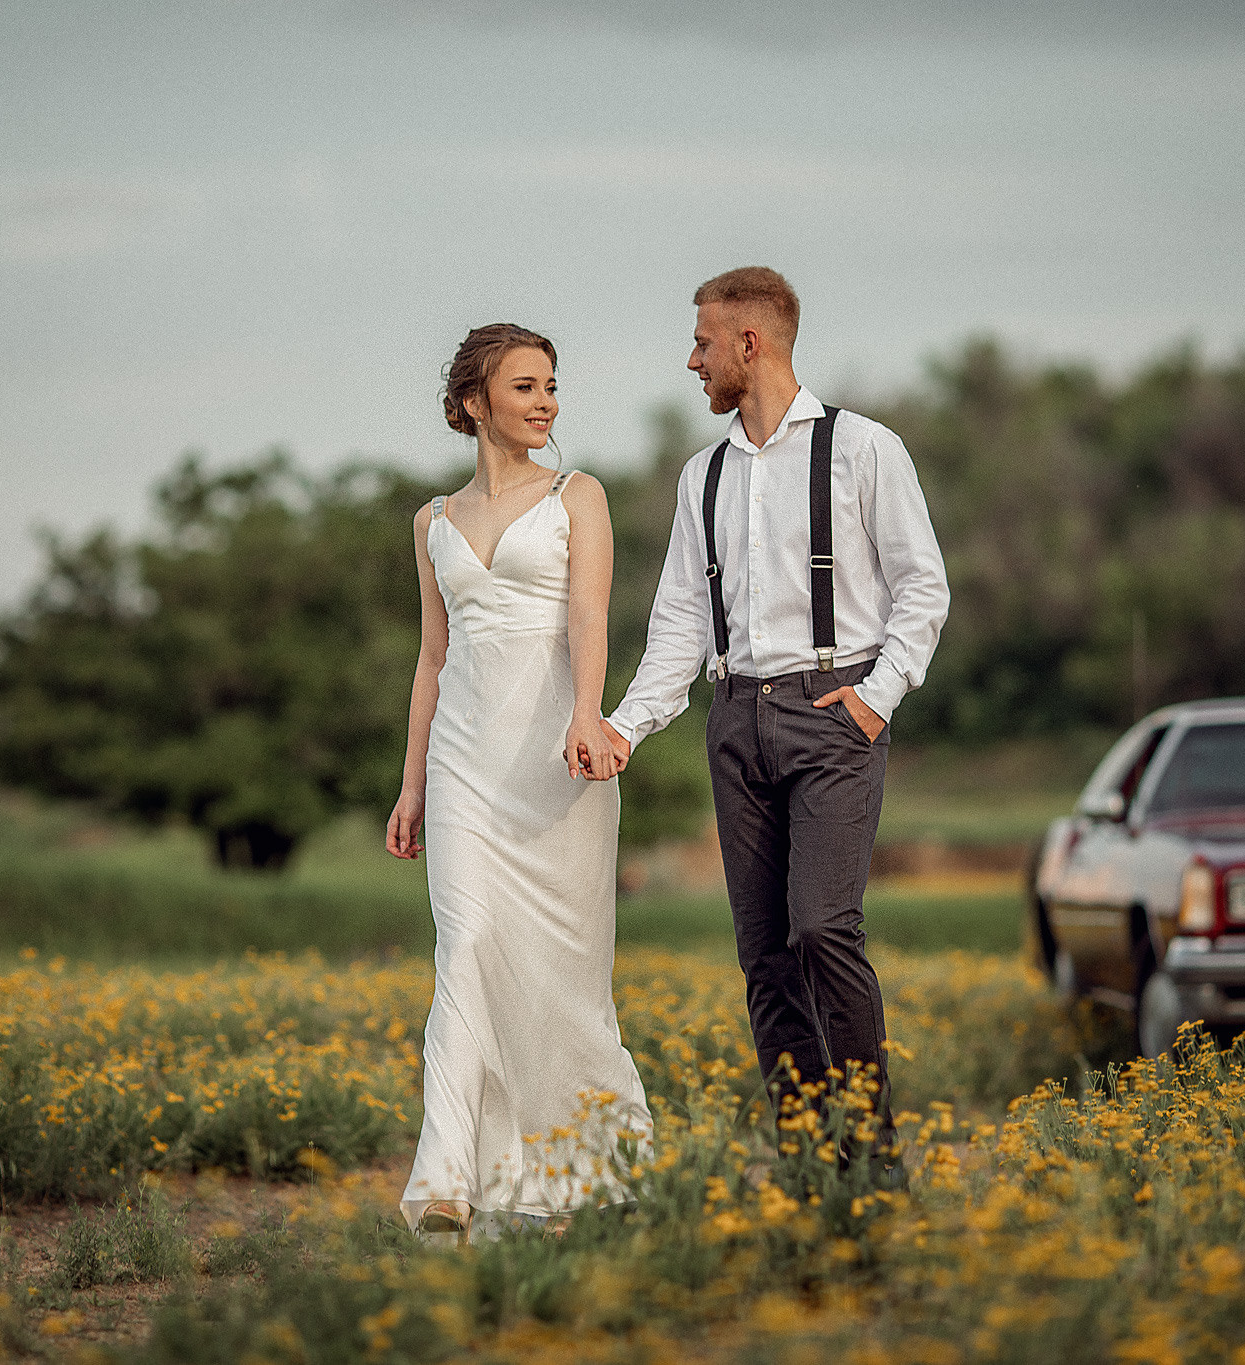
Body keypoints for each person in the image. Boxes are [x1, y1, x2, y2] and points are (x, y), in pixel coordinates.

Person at [602, 268, 949, 1174]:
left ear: (750, 344)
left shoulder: (865, 449)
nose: (693, 360)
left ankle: (871, 1158)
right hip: (735, 719)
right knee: (764, 957)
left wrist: (878, 696)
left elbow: (924, 586)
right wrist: (626, 727)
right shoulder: (702, 475)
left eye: (704, 343)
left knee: (824, 928)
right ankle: (807, 1156)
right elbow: (679, 620)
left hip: (832, 712)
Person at [387, 323, 653, 1244]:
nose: (545, 402)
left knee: (563, 979)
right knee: (464, 948)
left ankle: (591, 1170)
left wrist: (591, 713)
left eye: (551, 386)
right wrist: (413, 783)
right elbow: (431, 656)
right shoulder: (431, 522)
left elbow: (591, 619)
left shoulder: (579, 496)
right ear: (474, 403)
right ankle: (450, 1181)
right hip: (462, 762)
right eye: (525, 386)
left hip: (556, 761)